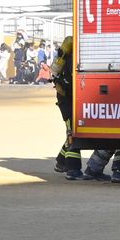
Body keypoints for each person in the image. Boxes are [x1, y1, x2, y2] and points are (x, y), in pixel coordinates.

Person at [52, 36, 82, 179]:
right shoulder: (72, 62)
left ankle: (60, 162)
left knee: (71, 132)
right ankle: (73, 169)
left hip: (66, 100)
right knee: (71, 133)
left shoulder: (66, 60)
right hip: (68, 101)